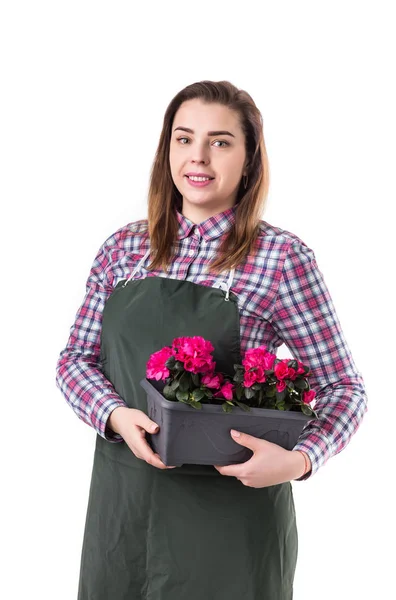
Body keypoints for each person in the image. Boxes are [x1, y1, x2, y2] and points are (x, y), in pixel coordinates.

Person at [55, 80, 368, 599]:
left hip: (228, 525)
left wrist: (300, 459)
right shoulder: (124, 248)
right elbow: (76, 360)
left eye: (220, 142)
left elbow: (344, 387)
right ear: (167, 150)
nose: (198, 156)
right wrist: (114, 414)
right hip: (123, 515)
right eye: (184, 139)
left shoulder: (282, 259)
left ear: (248, 160)